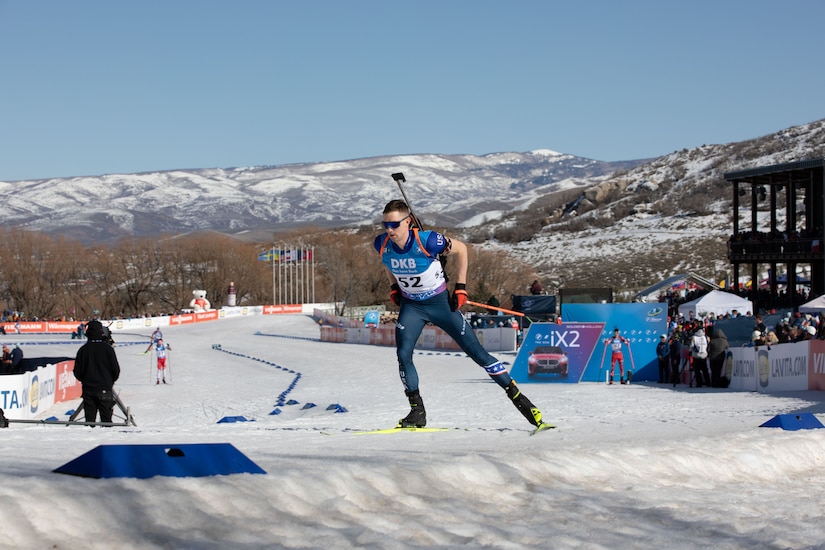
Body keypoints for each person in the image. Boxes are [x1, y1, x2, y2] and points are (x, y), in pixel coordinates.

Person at [374, 199, 547, 430]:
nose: (389, 229)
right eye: (385, 224)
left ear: (408, 222)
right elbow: (388, 262)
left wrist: (461, 287)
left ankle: (521, 400)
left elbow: (462, 249)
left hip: (440, 305)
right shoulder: (382, 243)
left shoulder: (427, 240)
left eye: (394, 225)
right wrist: (394, 286)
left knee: (478, 354)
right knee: (403, 355)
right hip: (412, 306)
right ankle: (417, 411)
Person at [73, 320, 121, 425]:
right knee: (107, 423)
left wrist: (85, 381)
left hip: (88, 390)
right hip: (105, 388)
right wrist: (109, 382)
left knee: (90, 423)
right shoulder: (108, 349)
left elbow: (77, 371)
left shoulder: (83, 350)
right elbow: (116, 370)